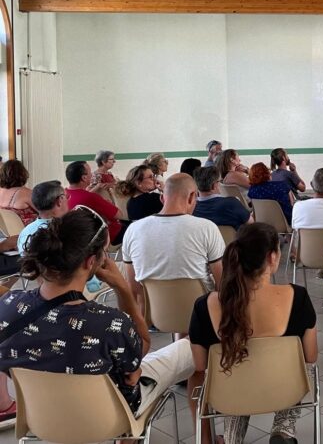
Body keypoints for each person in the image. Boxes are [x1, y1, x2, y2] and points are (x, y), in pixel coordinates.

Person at [0, 207, 194, 423]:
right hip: (107, 419)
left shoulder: (7, 306)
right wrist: (122, 288)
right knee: (191, 346)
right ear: (90, 262)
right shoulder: (109, 323)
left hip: (42, 417)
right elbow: (139, 352)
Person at [188, 223, 317, 444]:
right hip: (285, 390)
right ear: (272, 257)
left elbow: (200, 364)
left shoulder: (204, 306)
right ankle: (284, 429)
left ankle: (232, 437)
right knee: (305, 368)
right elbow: (311, 356)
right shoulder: (298, 297)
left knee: (231, 368)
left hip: (232, 395)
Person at [122, 173, 225, 313]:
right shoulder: (207, 228)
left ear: (162, 198)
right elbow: (221, 281)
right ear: (192, 196)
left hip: (155, 315)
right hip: (202, 314)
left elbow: (134, 289)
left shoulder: (133, 230)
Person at [65, 160, 123, 244]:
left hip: (75, 240)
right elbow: (119, 215)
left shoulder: (62, 195)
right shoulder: (90, 197)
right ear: (84, 178)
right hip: (100, 238)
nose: (92, 175)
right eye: (90, 172)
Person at [17, 180, 68, 253]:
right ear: (60, 200)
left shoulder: (25, 232)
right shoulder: (67, 231)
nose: (68, 200)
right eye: (66, 196)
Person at [0, 159, 37, 226]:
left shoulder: (1, 191)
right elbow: (45, 211)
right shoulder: (26, 193)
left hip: (7, 231)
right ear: (22, 174)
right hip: (27, 231)